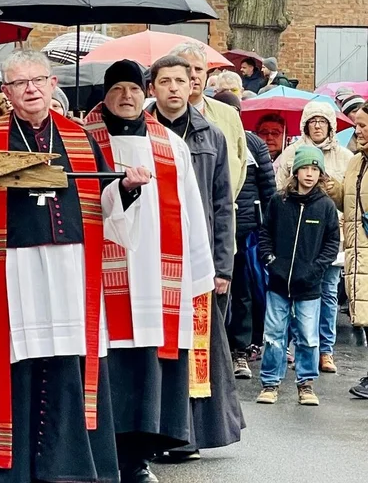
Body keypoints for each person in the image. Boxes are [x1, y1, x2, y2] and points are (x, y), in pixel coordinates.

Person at [0, 50, 119, 483]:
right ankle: (8, 470)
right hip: (10, 269)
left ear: (54, 84)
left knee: (66, 361)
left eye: (38, 81)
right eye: (20, 84)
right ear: (5, 93)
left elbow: (104, 202)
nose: (31, 90)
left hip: (69, 268)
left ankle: (69, 467)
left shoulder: (79, 136)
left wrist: (127, 187)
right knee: (12, 364)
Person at [84, 59, 215, 483]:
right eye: (118, 89)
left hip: (158, 276)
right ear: (105, 95)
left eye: (134, 89)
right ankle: (102, 458)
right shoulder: (85, 141)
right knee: (107, 370)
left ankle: (137, 459)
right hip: (101, 277)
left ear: (146, 94)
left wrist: (201, 266)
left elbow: (192, 208)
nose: (127, 97)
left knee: (148, 373)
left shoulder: (171, 146)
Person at [144, 55, 243, 459]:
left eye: (179, 81)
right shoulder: (141, 132)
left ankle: (191, 434)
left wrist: (223, 266)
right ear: (152, 88)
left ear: (192, 86)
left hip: (197, 258)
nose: (172, 88)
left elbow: (222, 205)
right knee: (156, 347)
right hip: (152, 256)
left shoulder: (211, 136)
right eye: (163, 81)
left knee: (196, 347)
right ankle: (153, 432)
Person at [256, 146, 340, 406]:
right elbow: (265, 234)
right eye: (305, 168)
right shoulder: (278, 201)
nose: (310, 174)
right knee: (273, 335)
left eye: (315, 169)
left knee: (307, 336)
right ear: (295, 171)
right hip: (278, 282)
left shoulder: (325, 206)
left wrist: (316, 269)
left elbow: (331, 243)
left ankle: (306, 383)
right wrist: (270, 260)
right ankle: (270, 383)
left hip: (309, 285)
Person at [275, 101, 352, 373]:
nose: (317, 125)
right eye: (312, 120)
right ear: (305, 124)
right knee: (289, 294)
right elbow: (278, 189)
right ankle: (290, 348)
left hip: (332, 233)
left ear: (331, 125)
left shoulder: (344, 156)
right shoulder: (290, 153)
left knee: (329, 293)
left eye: (323, 121)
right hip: (295, 237)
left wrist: (335, 189)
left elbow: (352, 198)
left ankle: (325, 350)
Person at [214, 91, 276, 376]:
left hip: (246, 228)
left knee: (242, 289)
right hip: (214, 224)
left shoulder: (253, 143)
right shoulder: (209, 135)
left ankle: (240, 348)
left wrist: (267, 227)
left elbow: (267, 184)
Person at [170, 43, 247, 204]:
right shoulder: (156, 115)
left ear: (206, 73)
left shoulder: (229, 115)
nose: (193, 75)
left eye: (198, 69)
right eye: (186, 68)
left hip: (217, 213)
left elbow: (240, 164)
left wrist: (224, 203)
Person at [343, 104, 368, 398]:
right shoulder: (355, 162)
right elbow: (348, 197)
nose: (357, 131)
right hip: (358, 248)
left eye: (362, 125)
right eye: (356, 125)